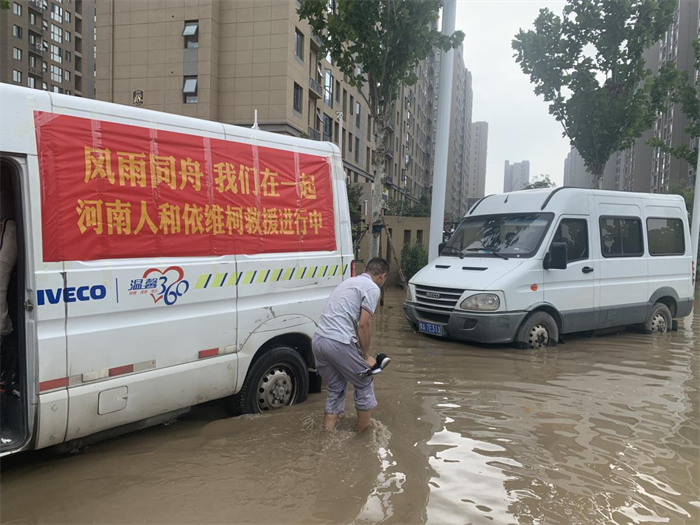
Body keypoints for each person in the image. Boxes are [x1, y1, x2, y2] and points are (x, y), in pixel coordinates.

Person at [312, 258, 390, 433]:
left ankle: (328, 434)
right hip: (338, 342)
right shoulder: (372, 288)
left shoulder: (348, 282)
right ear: (383, 276)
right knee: (364, 382)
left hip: (319, 340)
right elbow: (364, 324)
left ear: (366, 269)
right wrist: (365, 356)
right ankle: (363, 436)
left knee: (336, 386)